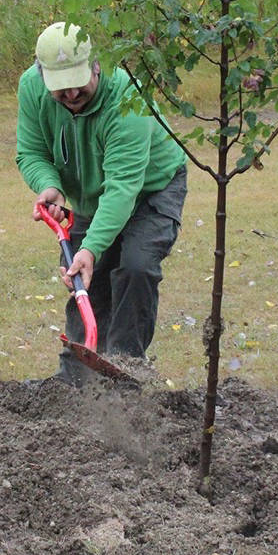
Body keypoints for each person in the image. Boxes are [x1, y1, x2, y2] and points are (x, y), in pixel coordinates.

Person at [16, 22, 188, 385]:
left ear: (96, 65)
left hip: (151, 189)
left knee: (136, 267)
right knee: (85, 284)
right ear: (42, 75)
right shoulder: (31, 89)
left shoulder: (128, 98)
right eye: (61, 87)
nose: (73, 92)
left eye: (79, 80)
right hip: (93, 197)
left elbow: (123, 187)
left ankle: (124, 371)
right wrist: (50, 186)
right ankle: (74, 381)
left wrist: (92, 247)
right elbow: (31, 152)